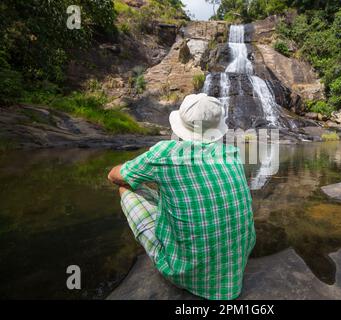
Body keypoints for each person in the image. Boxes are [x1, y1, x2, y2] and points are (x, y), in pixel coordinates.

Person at [107, 93, 256, 300]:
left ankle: (174, 260)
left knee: (126, 188)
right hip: (235, 271)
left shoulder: (165, 153)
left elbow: (114, 176)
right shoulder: (231, 153)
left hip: (188, 273)